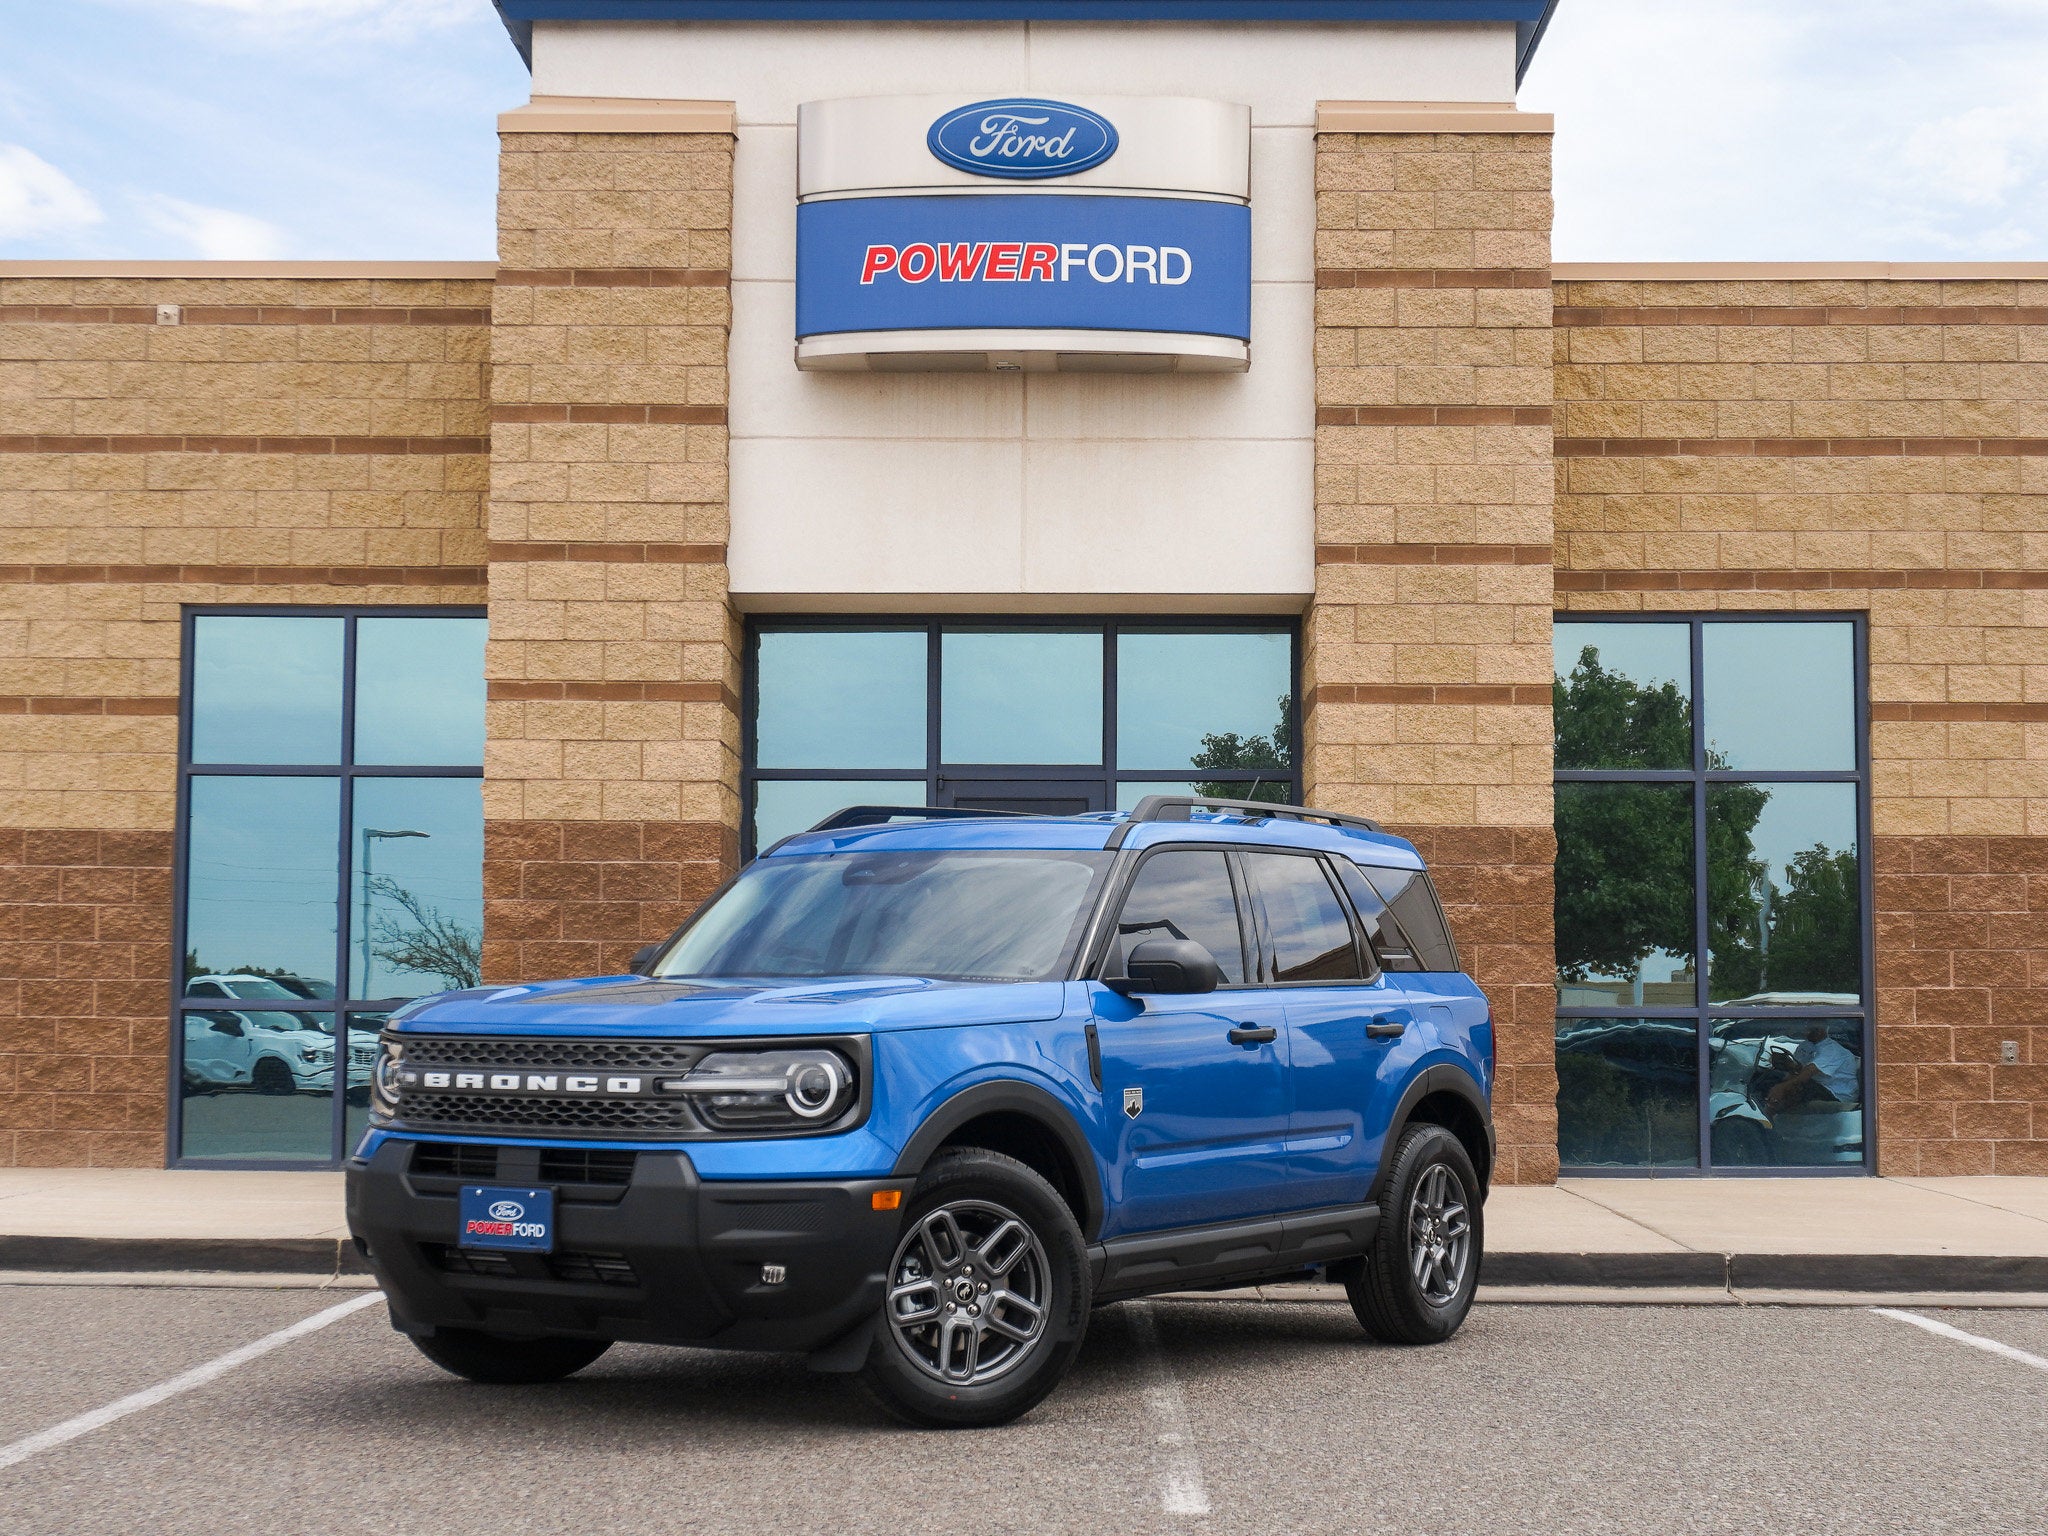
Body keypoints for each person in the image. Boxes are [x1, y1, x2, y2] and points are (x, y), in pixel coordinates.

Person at [1764, 1023, 1860, 1112]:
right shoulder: (1804, 1046)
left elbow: (1809, 1072)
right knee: (1772, 1077)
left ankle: (1773, 1114)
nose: (1807, 1030)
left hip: (1835, 1092)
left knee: (1796, 1087)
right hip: (1815, 1085)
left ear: (1822, 1030)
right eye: (1807, 1027)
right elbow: (1799, 1069)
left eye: (1813, 1028)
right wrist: (1787, 1064)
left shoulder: (1832, 1049)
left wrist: (1781, 1087)